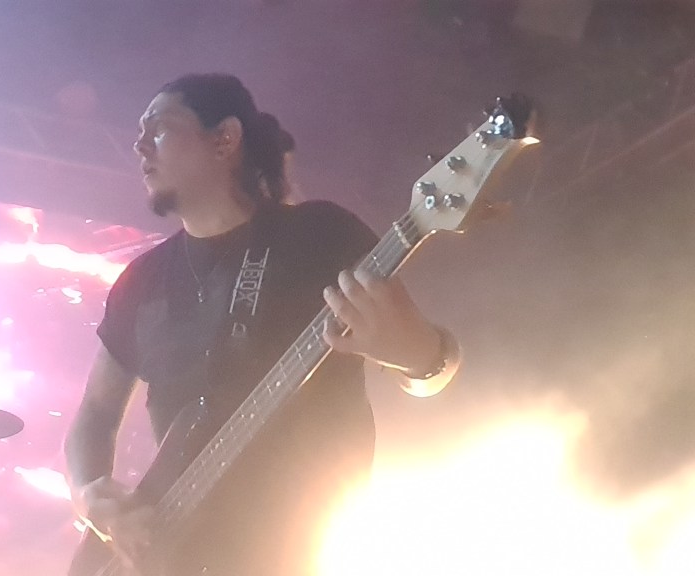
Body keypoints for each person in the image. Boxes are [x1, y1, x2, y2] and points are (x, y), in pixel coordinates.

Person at [64, 73, 460, 575]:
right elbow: (95, 413)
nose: (139, 144)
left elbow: (433, 367)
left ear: (225, 139)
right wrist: (90, 497)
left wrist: (416, 354)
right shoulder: (140, 282)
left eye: (159, 128)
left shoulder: (318, 234)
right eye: (140, 132)